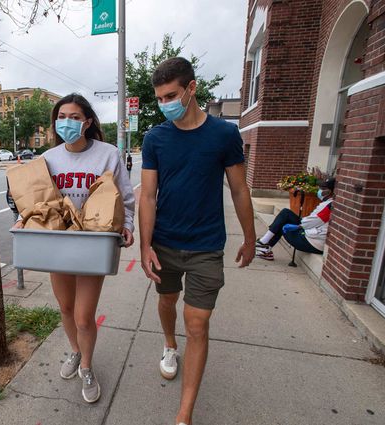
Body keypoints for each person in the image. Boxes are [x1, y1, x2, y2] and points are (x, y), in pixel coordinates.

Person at [139, 57, 256, 425]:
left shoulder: (224, 135)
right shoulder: (155, 138)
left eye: (171, 95)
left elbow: (239, 190)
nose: (165, 103)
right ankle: (169, 344)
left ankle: (184, 414)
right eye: (159, 98)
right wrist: (144, 246)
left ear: (192, 89)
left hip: (206, 245)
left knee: (198, 323)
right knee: (167, 302)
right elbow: (147, 196)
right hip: (165, 243)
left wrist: (251, 237)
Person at [14, 93, 135, 403]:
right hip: (58, 241)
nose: (67, 122)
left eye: (75, 117)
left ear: (88, 122)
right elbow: (37, 201)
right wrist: (24, 221)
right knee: (66, 309)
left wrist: (128, 226)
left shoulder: (108, 154)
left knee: (83, 317)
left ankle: (86, 365)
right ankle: (75, 350)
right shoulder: (49, 158)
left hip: (93, 242)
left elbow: (126, 198)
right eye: (62, 117)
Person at [255, 177, 335, 260]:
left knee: (283, 221)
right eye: (320, 187)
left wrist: (298, 226)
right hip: (313, 235)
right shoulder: (329, 203)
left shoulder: (330, 206)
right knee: (286, 214)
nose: (320, 190)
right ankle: (263, 246)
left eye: (323, 188)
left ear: (330, 192)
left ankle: (263, 244)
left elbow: (313, 221)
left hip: (313, 243)